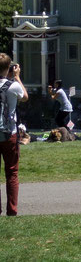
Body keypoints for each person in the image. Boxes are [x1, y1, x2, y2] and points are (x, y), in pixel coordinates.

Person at [0, 53, 28, 216]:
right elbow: (25, 97)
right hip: (9, 133)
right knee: (12, 172)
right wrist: (17, 77)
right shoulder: (13, 85)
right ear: (9, 68)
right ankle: (12, 210)